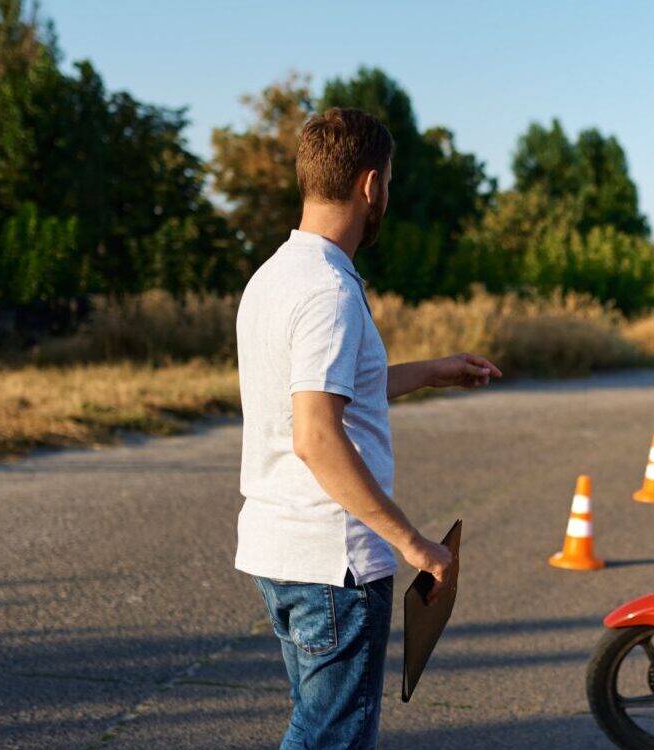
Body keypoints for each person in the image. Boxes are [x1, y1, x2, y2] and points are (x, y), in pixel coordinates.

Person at [233, 107, 500, 750]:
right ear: (371, 185)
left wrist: (432, 371)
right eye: (389, 187)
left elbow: (323, 393)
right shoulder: (329, 290)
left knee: (318, 723)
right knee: (332, 737)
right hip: (335, 562)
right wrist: (414, 545)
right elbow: (317, 435)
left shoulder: (275, 276)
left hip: (284, 549)